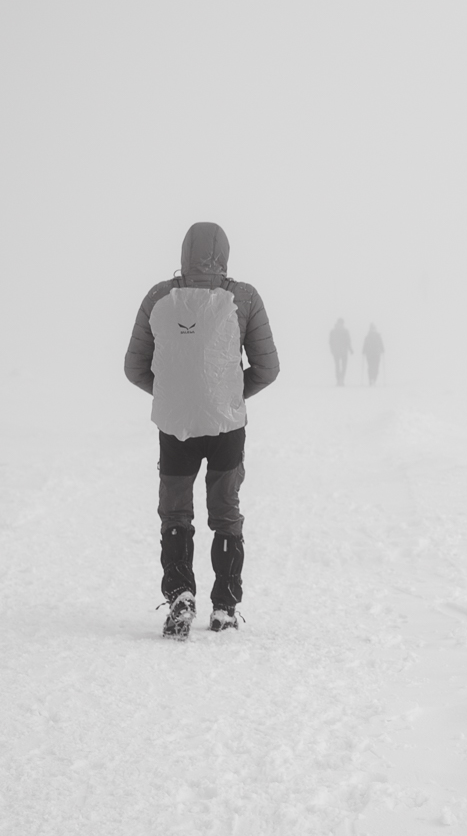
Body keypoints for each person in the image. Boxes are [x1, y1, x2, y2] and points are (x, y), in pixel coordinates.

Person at [124, 222, 280, 638]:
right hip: (227, 426)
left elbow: (133, 367)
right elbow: (269, 368)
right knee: (225, 513)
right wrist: (229, 395)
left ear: (184, 253)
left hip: (175, 427)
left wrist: (172, 396)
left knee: (176, 513)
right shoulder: (243, 297)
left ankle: (180, 595)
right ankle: (225, 606)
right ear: (224, 254)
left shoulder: (158, 296)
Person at [328, 318, 352, 386]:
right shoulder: (344, 331)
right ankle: (340, 379)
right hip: (342, 351)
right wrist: (350, 349)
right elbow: (348, 341)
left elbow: (330, 342)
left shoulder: (333, 331)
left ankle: (339, 379)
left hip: (337, 351)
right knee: (341, 366)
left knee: (338, 366)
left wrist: (350, 349)